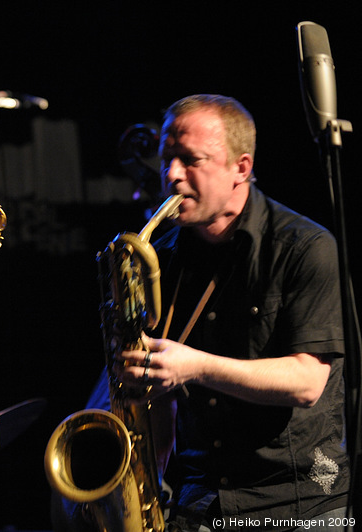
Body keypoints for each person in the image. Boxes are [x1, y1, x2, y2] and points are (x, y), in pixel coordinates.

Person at [113, 94, 349, 531]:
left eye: (190, 160)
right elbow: (159, 397)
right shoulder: (160, 259)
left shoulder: (306, 248)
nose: (171, 175)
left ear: (240, 168)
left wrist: (195, 366)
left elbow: (307, 382)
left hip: (297, 501)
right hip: (198, 499)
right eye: (166, 159)